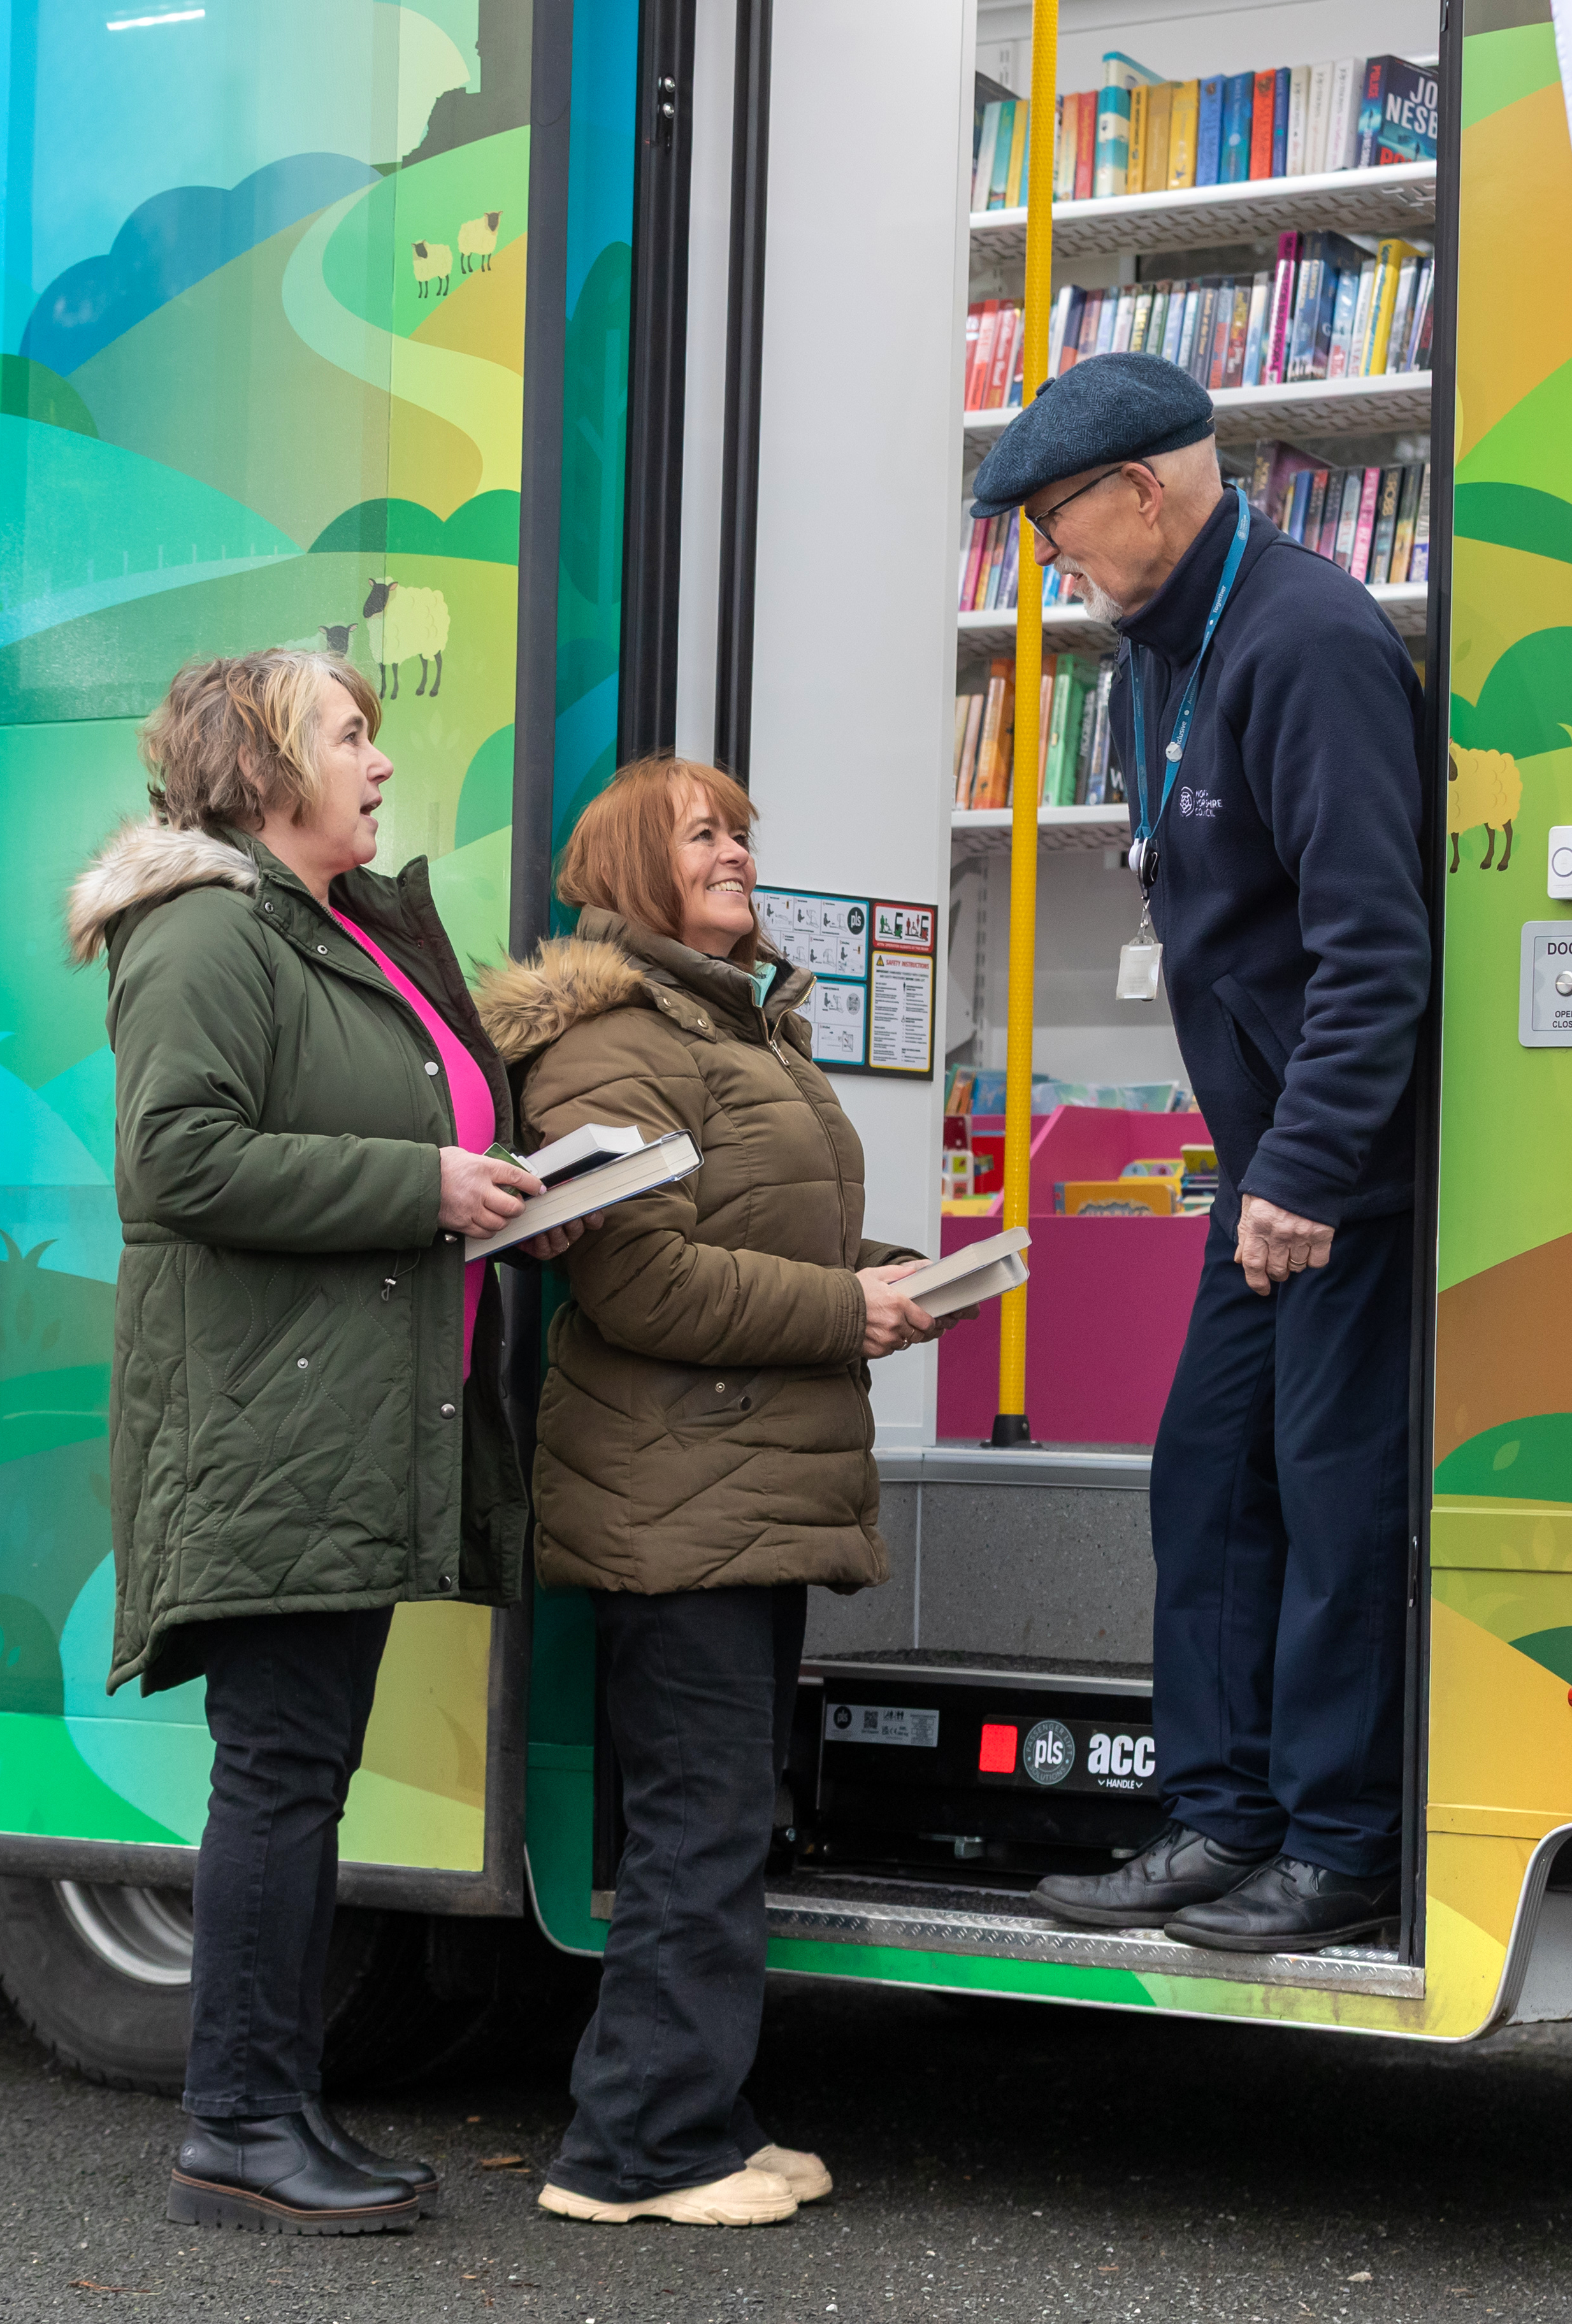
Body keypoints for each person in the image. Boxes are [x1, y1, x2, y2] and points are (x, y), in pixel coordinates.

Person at [64, 648, 540, 2235]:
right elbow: (180, 1165)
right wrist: (424, 1187)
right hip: (271, 1427)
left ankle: (268, 2113)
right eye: (351, 737)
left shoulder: (327, 927)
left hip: (338, 1424)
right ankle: (241, 2125)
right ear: (265, 769)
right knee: (279, 1779)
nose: (381, 766)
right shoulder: (202, 928)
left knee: (300, 1774)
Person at [974, 352, 1433, 1955]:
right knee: (1207, 1474)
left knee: (1333, 1493)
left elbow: (1380, 950)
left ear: (1147, 493)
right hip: (1266, 1158)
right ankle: (1223, 1814)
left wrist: (1303, 1169)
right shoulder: (1145, 668)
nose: (1054, 560)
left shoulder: (1306, 642)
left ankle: (1342, 1840)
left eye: (1060, 525)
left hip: (1344, 1168)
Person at [474, 756, 940, 2227]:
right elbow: (639, 1279)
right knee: (698, 1816)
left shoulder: (738, 1026)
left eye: (742, 831)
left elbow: (755, 1244)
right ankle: (633, 2153)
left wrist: (887, 1287)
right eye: (705, 834)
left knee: (724, 1813)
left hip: (741, 1478)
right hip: (675, 1491)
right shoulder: (609, 1039)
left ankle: (707, 2115)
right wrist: (839, 1314)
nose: (738, 852)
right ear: (632, 868)